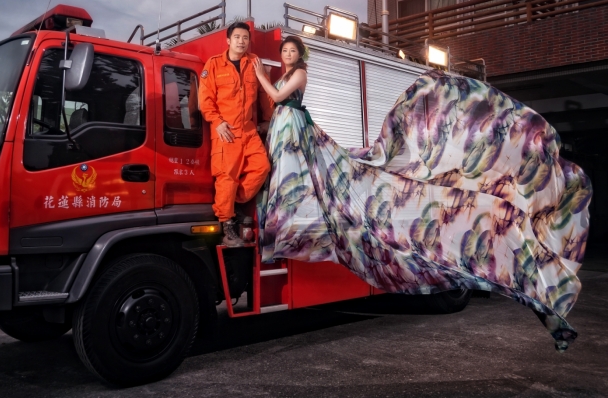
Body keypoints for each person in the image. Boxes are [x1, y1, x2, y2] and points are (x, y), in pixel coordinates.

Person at [252, 35, 591, 352]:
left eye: (292, 51)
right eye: (284, 51)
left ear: (300, 55)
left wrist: (258, 75)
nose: (288, 55)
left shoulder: (298, 75)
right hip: (285, 135)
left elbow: (279, 99)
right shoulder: (283, 75)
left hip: (295, 130)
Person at [198, 21, 273, 247]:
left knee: (263, 167)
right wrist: (217, 122)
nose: (242, 41)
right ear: (228, 40)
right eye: (237, 37)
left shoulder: (254, 63)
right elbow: (205, 100)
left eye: (245, 38)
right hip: (226, 130)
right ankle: (227, 226)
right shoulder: (213, 65)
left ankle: (235, 204)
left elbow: (265, 94)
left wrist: (268, 120)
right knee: (226, 177)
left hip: (249, 129)